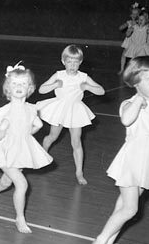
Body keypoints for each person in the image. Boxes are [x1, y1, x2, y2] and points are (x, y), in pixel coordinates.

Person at [88, 56, 149, 244]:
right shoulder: (129, 104)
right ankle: (100, 240)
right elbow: (127, 119)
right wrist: (138, 100)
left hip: (148, 162)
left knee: (122, 209)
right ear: (136, 82)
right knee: (130, 209)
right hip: (132, 162)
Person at [0, 63, 53, 234]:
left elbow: (38, 125)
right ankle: (20, 218)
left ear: (29, 88)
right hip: (5, 150)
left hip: (21, 150)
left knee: (7, 181)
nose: (19, 86)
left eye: (23, 83)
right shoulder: (4, 111)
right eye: (14, 83)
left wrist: (27, 134)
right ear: (8, 88)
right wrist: (3, 129)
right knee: (22, 184)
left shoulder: (31, 109)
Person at [37, 44, 105, 185]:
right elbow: (41, 90)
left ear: (80, 62)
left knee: (76, 142)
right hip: (60, 110)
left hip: (75, 111)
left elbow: (101, 91)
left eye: (75, 62)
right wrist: (54, 85)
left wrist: (88, 87)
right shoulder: (59, 75)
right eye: (69, 62)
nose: (72, 66)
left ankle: (79, 172)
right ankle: (42, 156)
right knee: (52, 136)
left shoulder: (83, 77)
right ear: (63, 61)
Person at [118, 2, 140, 74]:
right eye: (133, 14)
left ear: (139, 15)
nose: (134, 15)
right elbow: (121, 27)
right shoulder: (129, 22)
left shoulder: (139, 22)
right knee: (124, 54)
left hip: (137, 41)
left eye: (136, 14)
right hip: (129, 41)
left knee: (135, 56)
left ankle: (135, 70)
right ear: (130, 15)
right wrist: (123, 26)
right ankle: (122, 69)